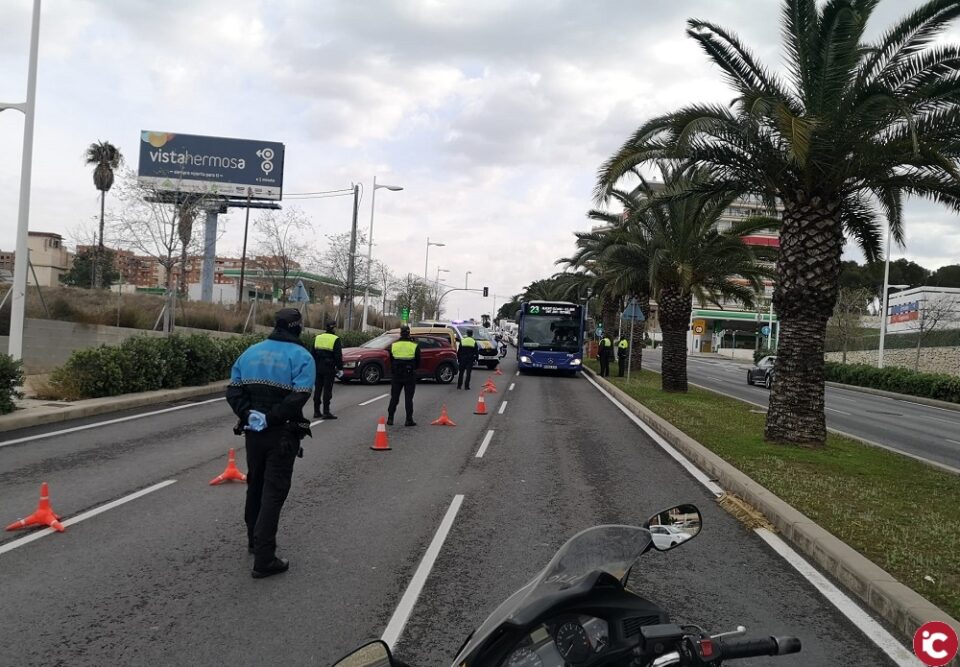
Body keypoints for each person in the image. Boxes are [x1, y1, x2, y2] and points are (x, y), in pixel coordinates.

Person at [226, 308, 315, 579]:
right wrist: (271, 417)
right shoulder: (301, 356)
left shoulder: (250, 352)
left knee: (255, 486)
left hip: (253, 433)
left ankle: (254, 540)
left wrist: (248, 414)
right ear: (297, 327)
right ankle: (265, 558)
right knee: (273, 493)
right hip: (282, 435)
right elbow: (299, 396)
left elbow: (233, 389)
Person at [387, 325, 420, 426]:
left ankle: (390, 418)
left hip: (397, 375)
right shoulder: (414, 345)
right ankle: (408, 420)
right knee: (408, 398)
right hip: (409, 375)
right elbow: (418, 362)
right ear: (409, 333)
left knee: (394, 397)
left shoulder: (394, 345)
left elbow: (391, 360)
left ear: (400, 333)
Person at [312, 321, 343, 419]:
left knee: (318, 389)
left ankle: (316, 411)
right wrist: (340, 368)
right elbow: (338, 356)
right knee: (327, 390)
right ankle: (326, 412)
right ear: (333, 328)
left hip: (318, 367)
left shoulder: (318, 337)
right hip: (329, 368)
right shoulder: (335, 339)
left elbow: (312, 353)